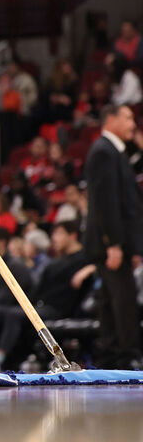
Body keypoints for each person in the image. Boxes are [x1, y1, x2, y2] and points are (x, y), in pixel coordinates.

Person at [0, 221, 92, 371]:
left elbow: (100, 263)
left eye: (59, 233)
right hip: (42, 305)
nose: (54, 238)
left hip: (60, 308)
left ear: (72, 236)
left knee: (14, 314)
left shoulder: (83, 258)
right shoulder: (56, 261)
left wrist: (90, 269)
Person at [84, 103, 142, 368]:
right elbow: (106, 203)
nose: (133, 124)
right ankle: (127, 356)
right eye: (128, 118)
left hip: (115, 243)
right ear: (110, 119)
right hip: (112, 244)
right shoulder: (104, 151)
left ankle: (111, 356)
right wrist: (114, 244)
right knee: (122, 301)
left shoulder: (112, 151)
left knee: (109, 302)